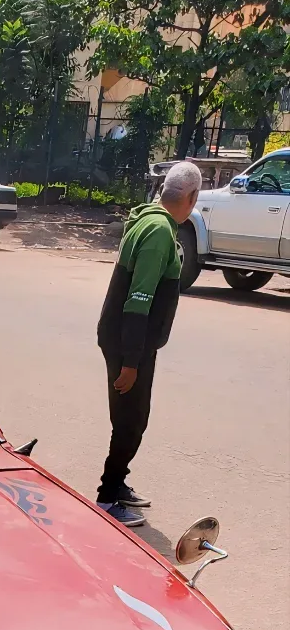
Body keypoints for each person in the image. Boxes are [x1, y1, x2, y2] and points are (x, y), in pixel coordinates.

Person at [96, 160, 203, 527]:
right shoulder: (159, 232)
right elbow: (138, 301)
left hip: (126, 339)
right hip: (131, 342)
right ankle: (108, 498)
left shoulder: (147, 219)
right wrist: (131, 360)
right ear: (190, 197)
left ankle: (118, 483)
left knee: (128, 417)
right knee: (131, 421)